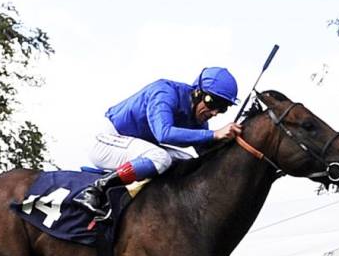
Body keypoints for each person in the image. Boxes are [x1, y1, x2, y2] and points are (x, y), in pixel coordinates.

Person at [75, 67, 241, 218]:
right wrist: (214, 134)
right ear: (198, 92)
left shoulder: (199, 118)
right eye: (212, 102)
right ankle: (96, 190)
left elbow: (205, 154)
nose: (214, 112)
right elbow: (164, 133)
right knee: (160, 157)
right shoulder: (164, 92)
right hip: (105, 140)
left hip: (132, 144)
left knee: (187, 162)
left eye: (223, 107)